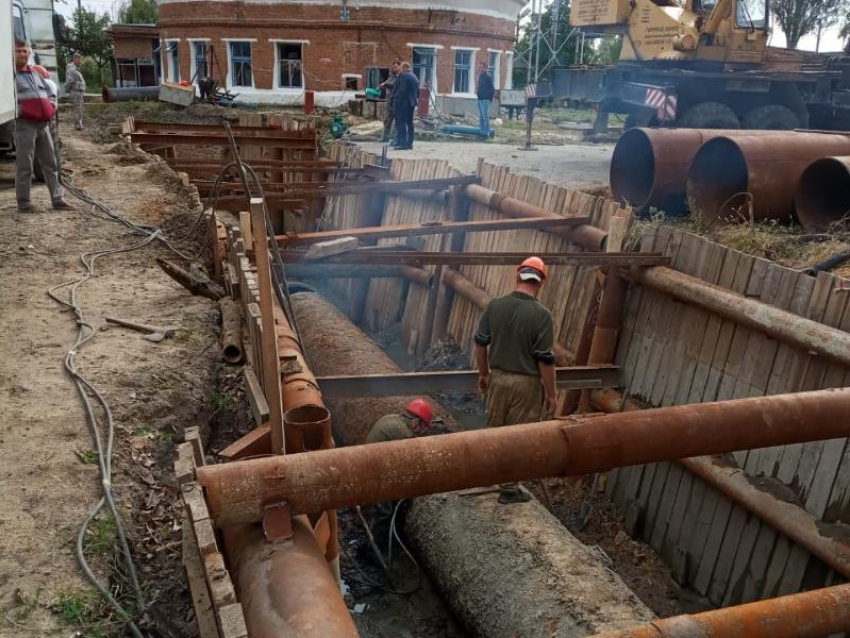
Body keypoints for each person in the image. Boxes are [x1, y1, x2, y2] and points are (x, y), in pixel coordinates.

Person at [474, 257, 556, 504]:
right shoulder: (542, 315)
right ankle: (508, 489)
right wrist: (552, 394)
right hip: (526, 385)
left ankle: (487, 477)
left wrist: (484, 373)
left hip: (497, 378)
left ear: (517, 276)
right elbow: (545, 360)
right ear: (541, 283)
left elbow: (480, 342)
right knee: (518, 437)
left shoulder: (495, 305)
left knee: (494, 429)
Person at [14, 38, 73, 213]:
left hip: (43, 125)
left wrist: (51, 107)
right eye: (18, 51)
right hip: (25, 125)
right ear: (12, 53)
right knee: (25, 165)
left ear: (29, 53)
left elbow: (49, 92)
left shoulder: (34, 73)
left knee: (51, 163)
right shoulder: (10, 76)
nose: (23, 54)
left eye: (25, 51)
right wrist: (22, 111)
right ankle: (24, 203)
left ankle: (58, 200)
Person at [365, 398, 433, 545]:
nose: (421, 433)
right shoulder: (403, 434)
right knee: (384, 512)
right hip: (373, 472)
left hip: (374, 463)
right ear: (416, 423)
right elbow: (413, 463)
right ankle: (375, 549)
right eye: (422, 429)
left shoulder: (393, 419)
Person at [393, 62, 419, 150]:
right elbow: (418, 92)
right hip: (412, 103)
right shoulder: (414, 76)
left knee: (401, 123)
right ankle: (409, 143)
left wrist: (397, 102)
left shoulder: (404, 76)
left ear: (403, 68)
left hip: (404, 103)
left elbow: (402, 91)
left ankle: (402, 143)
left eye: (400, 68)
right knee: (410, 123)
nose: (400, 70)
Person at [379, 61, 400, 143]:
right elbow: (388, 82)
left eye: (395, 67)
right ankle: (385, 137)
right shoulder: (391, 75)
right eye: (393, 67)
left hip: (396, 101)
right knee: (387, 119)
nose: (394, 69)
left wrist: (386, 85)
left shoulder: (401, 76)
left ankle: (396, 139)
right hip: (389, 101)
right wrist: (383, 85)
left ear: (399, 67)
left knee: (397, 121)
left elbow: (395, 85)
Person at [65, 52, 86, 131]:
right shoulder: (72, 69)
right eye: (79, 59)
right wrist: (67, 91)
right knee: (78, 108)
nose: (80, 61)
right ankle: (78, 125)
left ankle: (79, 124)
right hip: (75, 91)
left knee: (80, 108)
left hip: (78, 91)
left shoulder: (75, 68)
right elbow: (70, 81)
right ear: (75, 59)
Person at [476, 62, 496, 136]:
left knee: (485, 117)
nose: (479, 69)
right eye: (478, 67)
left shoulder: (488, 77)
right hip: (480, 99)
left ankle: (487, 133)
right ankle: (482, 132)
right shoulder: (480, 76)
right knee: (481, 117)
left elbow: (492, 89)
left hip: (485, 100)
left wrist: (489, 99)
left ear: (485, 68)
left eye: (480, 67)